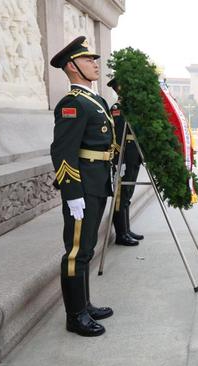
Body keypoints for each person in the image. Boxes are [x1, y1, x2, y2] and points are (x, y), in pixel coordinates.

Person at [49, 36, 115, 337]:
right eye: (89, 60)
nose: (95, 63)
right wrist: (71, 193)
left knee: (86, 249)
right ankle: (75, 316)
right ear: (72, 67)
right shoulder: (72, 104)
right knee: (76, 252)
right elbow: (63, 152)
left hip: (98, 182)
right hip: (83, 188)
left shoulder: (96, 101)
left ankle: (85, 304)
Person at [107, 78, 143, 246]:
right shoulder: (118, 109)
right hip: (123, 157)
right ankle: (121, 234)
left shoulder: (131, 108)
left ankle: (126, 230)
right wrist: (118, 160)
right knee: (120, 196)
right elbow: (118, 136)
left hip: (133, 156)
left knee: (127, 194)